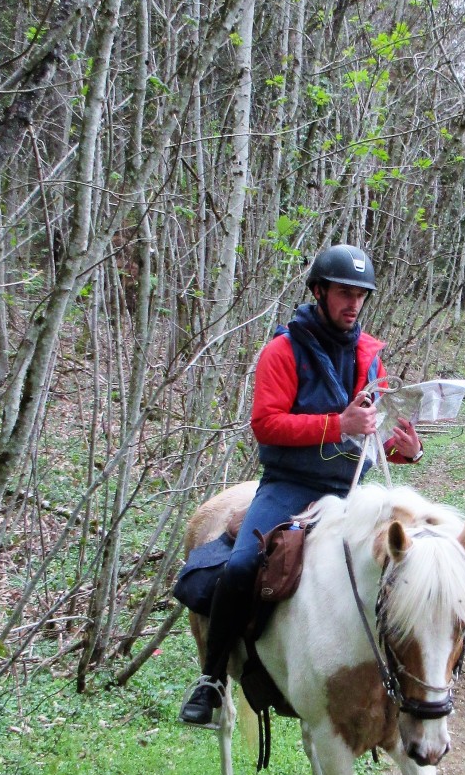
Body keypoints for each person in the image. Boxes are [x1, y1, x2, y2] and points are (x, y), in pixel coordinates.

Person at [180, 244, 423, 725]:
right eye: (343, 293)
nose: (353, 303)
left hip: (352, 488)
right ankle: (211, 679)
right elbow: (265, 424)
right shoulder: (281, 351)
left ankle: (402, 674)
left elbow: (370, 433)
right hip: (290, 484)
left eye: (360, 294)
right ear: (318, 291)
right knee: (242, 565)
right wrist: (338, 424)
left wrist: (407, 450)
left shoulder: (371, 357)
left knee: (408, 564)